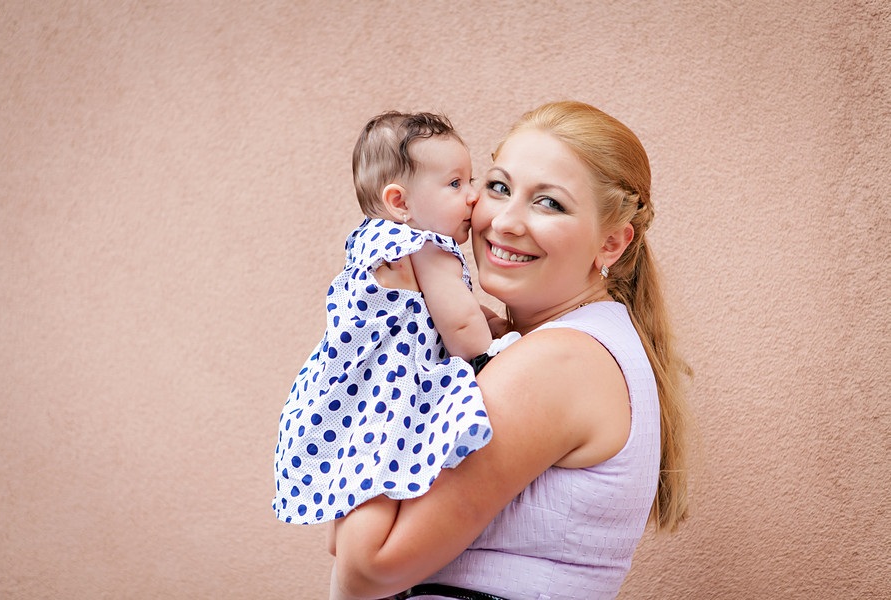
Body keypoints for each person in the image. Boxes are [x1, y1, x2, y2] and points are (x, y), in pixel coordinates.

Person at [329, 101, 693, 600]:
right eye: (498, 188)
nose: (505, 222)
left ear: (611, 243)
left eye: (550, 203)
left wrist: (373, 368)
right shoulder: (556, 346)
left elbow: (364, 566)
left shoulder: (555, 363)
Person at [273, 111, 515, 526]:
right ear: (400, 203)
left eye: (471, 179)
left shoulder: (371, 239)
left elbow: (439, 309)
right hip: (393, 386)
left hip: (346, 387)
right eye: (456, 183)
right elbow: (459, 329)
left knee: (359, 495)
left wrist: (485, 318)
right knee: (395, 473)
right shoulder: (425, 245)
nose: (473, 195)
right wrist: (493, 352)